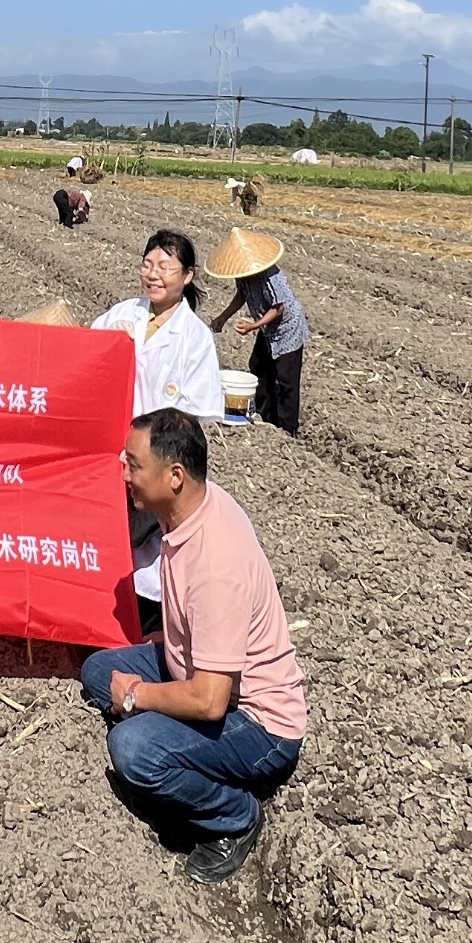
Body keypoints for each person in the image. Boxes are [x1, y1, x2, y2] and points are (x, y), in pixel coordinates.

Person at [79, 409, 305, 884]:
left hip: (255, 722)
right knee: (98, 670)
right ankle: (169, 747)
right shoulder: (189, 509)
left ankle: (234, 817)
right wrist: (173, 640)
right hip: (197, 670)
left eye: (133, 464)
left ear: (175, 476)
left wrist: (136, 698)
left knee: (132, 749)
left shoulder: (216, 563)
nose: (123, 473)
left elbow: (210, 701)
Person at [92, 229, 225, 624]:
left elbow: (192, 413)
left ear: (187, 276)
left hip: (156, 458)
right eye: (148, 265)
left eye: (165, 267)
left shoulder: (195, 337)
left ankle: (146, 621)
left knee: (149, 539)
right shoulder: (122, 314)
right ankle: (103, 614)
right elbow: (84, 357)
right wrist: (108, 345)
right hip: (109, 452)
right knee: (108, 536)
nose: (153, 274)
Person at [201, 229, 309, 436]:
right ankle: (265, 416)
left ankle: (288, 428)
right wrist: (223, 317)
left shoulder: (270, 275)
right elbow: (242, 295)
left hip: (287, 328)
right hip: (268, 328)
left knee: (286, 379)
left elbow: (279, 308)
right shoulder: (243, 274)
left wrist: (254, 325)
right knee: (259, 366)